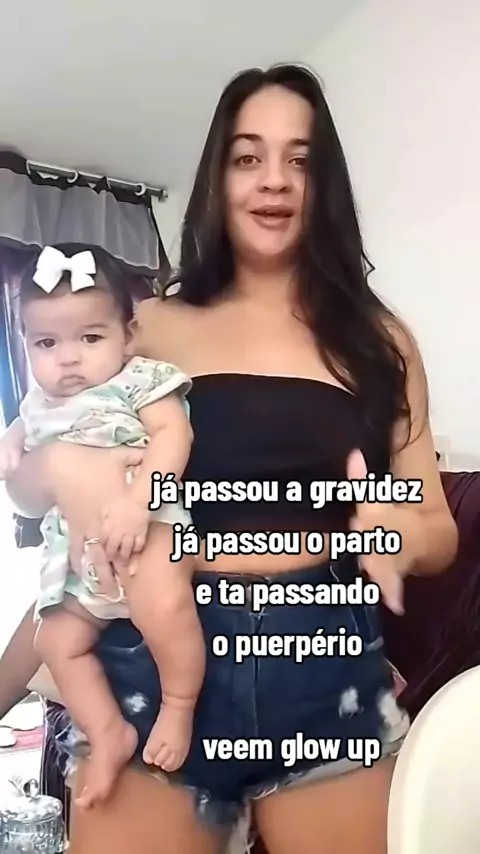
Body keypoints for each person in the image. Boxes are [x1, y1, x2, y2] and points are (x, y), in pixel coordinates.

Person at [6, 64, 457, 854]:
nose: (273, 180)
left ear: (326, 182)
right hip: (152, 659)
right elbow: (62, 511)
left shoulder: (382, 341)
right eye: (248, 157)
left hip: (322, 663)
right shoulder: (146, 328)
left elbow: (437, 531)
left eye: (300, 159)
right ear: (218, 177)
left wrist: (391, 532)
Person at [0, 245, 205, 808]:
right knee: (54, 639)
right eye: (46, 343)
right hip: (77, 563)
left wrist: (141, 501)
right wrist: (11, 447)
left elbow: (174, 435)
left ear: (128, 336)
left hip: (147, 531)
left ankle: (179, 705)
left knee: (166, 609)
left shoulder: (141, 380)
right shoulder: (38, 401)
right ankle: (108, 730)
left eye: (90, 338)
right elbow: (21, 435)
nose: (68, 359)